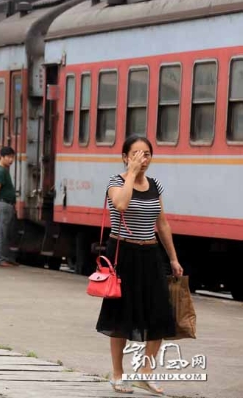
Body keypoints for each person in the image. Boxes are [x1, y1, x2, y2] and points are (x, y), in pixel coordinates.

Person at [96, 135, 183, 395]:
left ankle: (145, 372)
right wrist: (131, 173)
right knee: (121, 316)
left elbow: (162, 223)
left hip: (150, 253)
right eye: (136, 154)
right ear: (125, 157)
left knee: (160, 313)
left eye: (146, 154)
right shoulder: (116, 182)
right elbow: (121, 204)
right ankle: (117, 374)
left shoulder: (155, 185)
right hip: (123, 255)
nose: (142, 159)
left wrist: (173, 258)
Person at [0, 146, 19, 267]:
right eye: (8, 157)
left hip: (6, 204)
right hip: (2, 204)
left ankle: (4, 257)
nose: (11, 160)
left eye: (12, 157)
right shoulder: (0, 171)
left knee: (5, 232)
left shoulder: (4, 170)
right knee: (1, 232)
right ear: (1, 157)